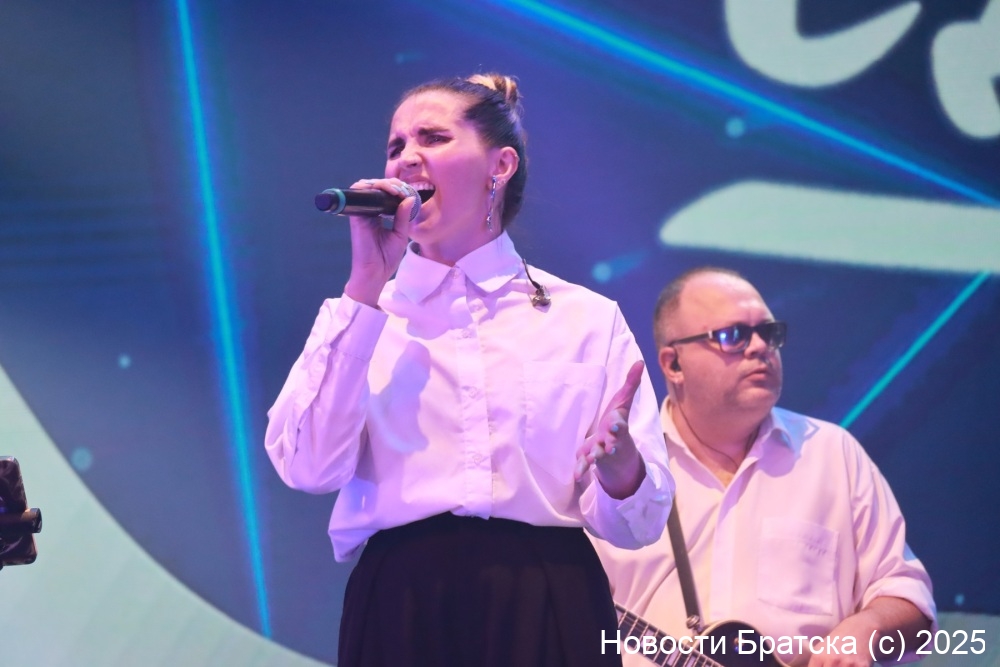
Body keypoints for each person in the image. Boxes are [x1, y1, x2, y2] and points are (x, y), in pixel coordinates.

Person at [264, 72, 675, 667]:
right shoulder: (367, 315)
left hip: (551, 600)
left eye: (432, 138)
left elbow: (639, 526)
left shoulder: (585, 317)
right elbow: (306, 467)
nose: (406, 158)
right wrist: (365, 284)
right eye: (396, 145)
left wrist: (621, 467)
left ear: (500, 166)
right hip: (403, 602)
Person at [591, 267, 935, 667]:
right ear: (673, 364)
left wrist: (865, 628)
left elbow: (910, 598)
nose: (759, 348)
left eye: (768, 333)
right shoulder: (619, 465)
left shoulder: (832, 453)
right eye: (732, 335)